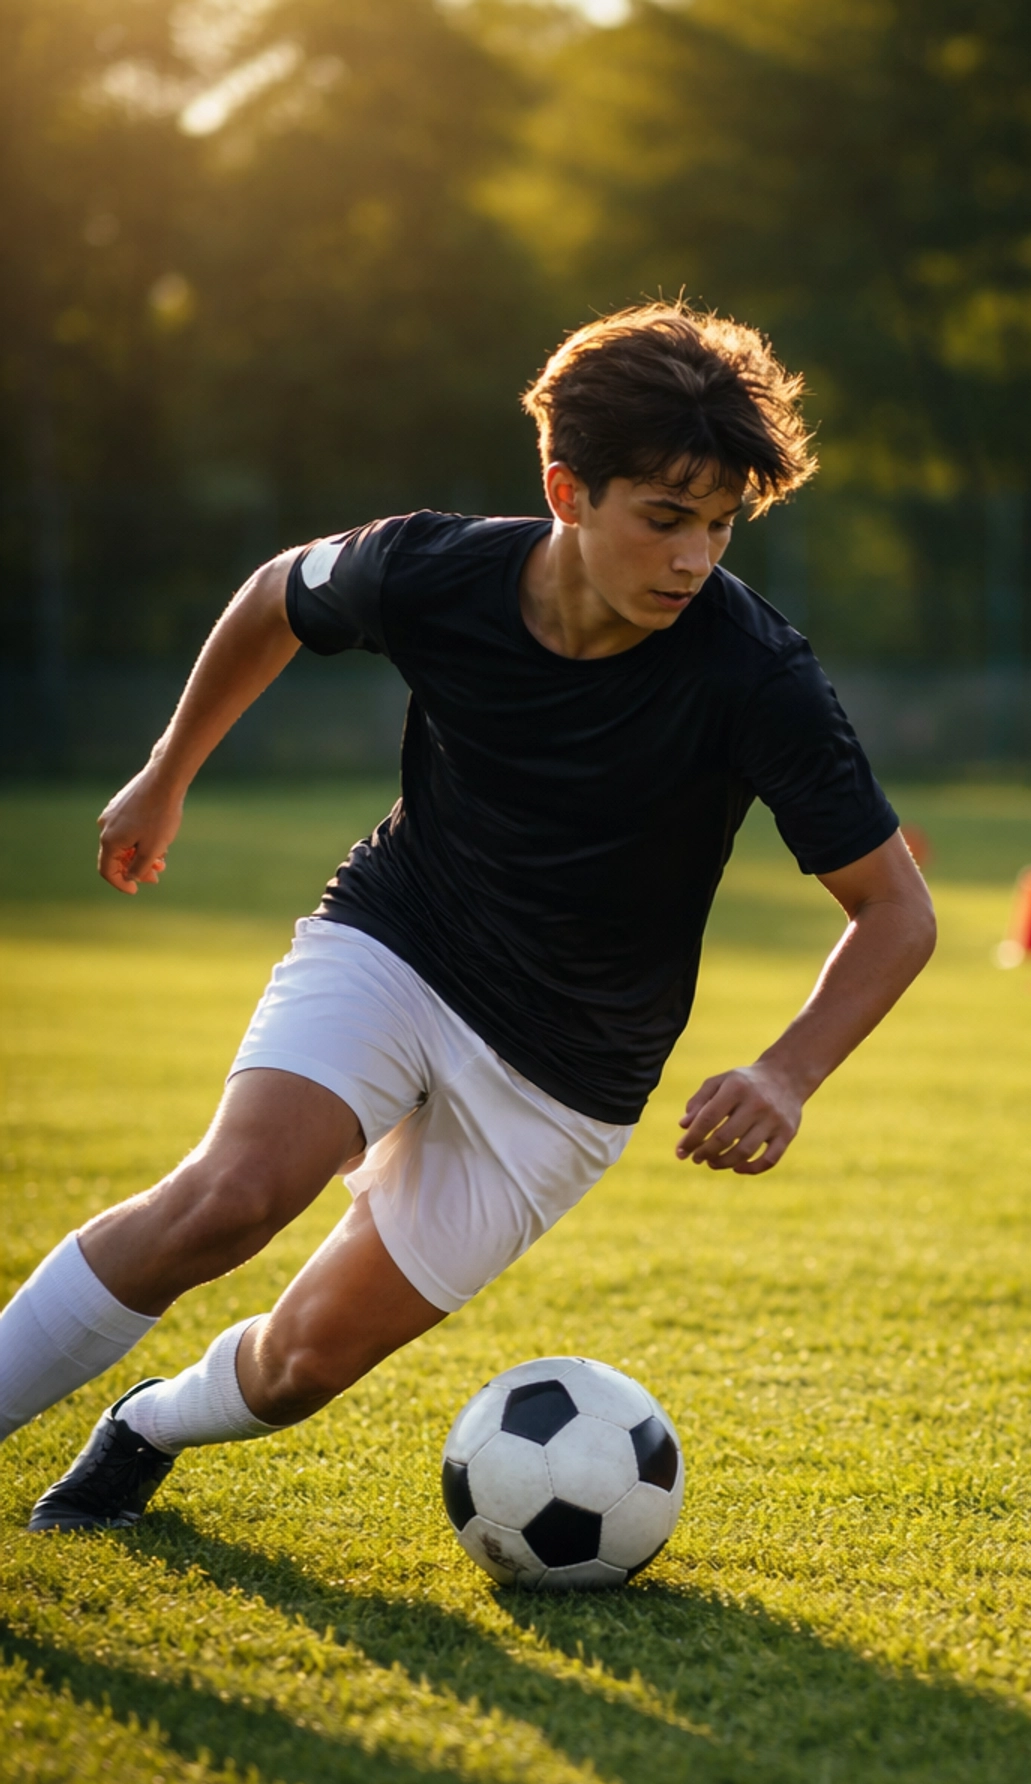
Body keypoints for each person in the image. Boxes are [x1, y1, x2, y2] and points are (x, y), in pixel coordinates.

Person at [5, 301, 935, 1534]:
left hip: (572, 1064)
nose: (693, 560)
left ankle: (146, 1424)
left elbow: (895, 912)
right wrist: (168, 768)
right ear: (568, 490)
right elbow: (280, 594)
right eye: (664, 519)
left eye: (718, 527)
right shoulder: (434, 568)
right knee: (227, 1198)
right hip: (403, 937)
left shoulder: (753, 674)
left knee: (301, 1368)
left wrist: (786, 1073)